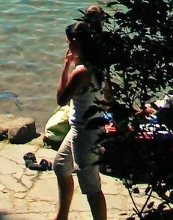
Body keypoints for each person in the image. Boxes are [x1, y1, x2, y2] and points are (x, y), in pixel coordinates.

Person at [54, 21, 110, 220]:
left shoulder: (80, 72)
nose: (67, 45)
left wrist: (65, 67)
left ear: (76, 42)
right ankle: (62, 216)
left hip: (84, 132)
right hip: (84, 127)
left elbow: (61, 99)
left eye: (69, 41)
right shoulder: (98, 66)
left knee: (90, 186)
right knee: (60, 166)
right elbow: (108, 98)